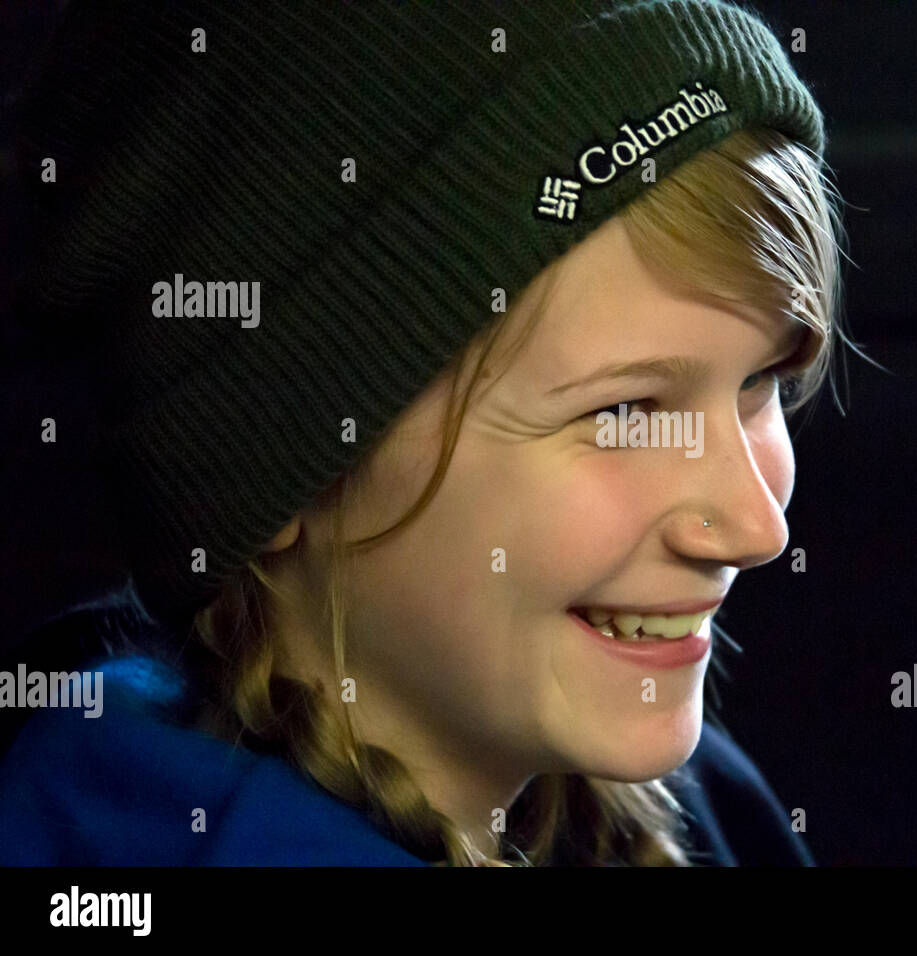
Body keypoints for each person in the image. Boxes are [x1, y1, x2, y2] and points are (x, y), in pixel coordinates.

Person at [0, 0, 856, 866]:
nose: (758, 528)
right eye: (625, 414)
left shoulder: (690, 807)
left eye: (761, 384)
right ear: (285, 469)